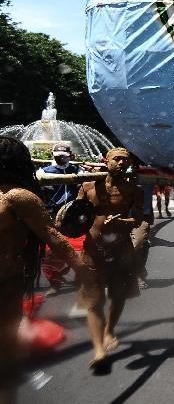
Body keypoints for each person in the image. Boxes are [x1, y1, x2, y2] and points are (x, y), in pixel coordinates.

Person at [0, 137, 89, 399]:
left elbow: (53, 236)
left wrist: (82, 268)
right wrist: (83, 269)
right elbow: (54, 237)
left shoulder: (17, 197)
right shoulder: (18, 196)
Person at [76, 147, 145, 371]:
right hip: (92, 251)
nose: (122, 163)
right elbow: (76, 215)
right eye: (117, 159)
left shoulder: (134, 190)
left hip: (121, 251)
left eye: (126, 160)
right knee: (94, 300)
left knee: (118, 295)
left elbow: (138, 219)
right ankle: (99, 350)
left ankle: (109, 331)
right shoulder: (88, 187)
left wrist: (122, 223)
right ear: (107, 161)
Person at [37, 143, 82, 295]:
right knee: (52, 250)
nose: (61, 159)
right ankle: (54, 283)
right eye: (58, 156)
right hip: (53, 215)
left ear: (69, 156)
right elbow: (40, 195)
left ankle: (80, 277)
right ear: (53, 156)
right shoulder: (44, 172)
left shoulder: (77, 170)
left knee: (81, 248)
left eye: (64, 156)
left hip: (75, 216)